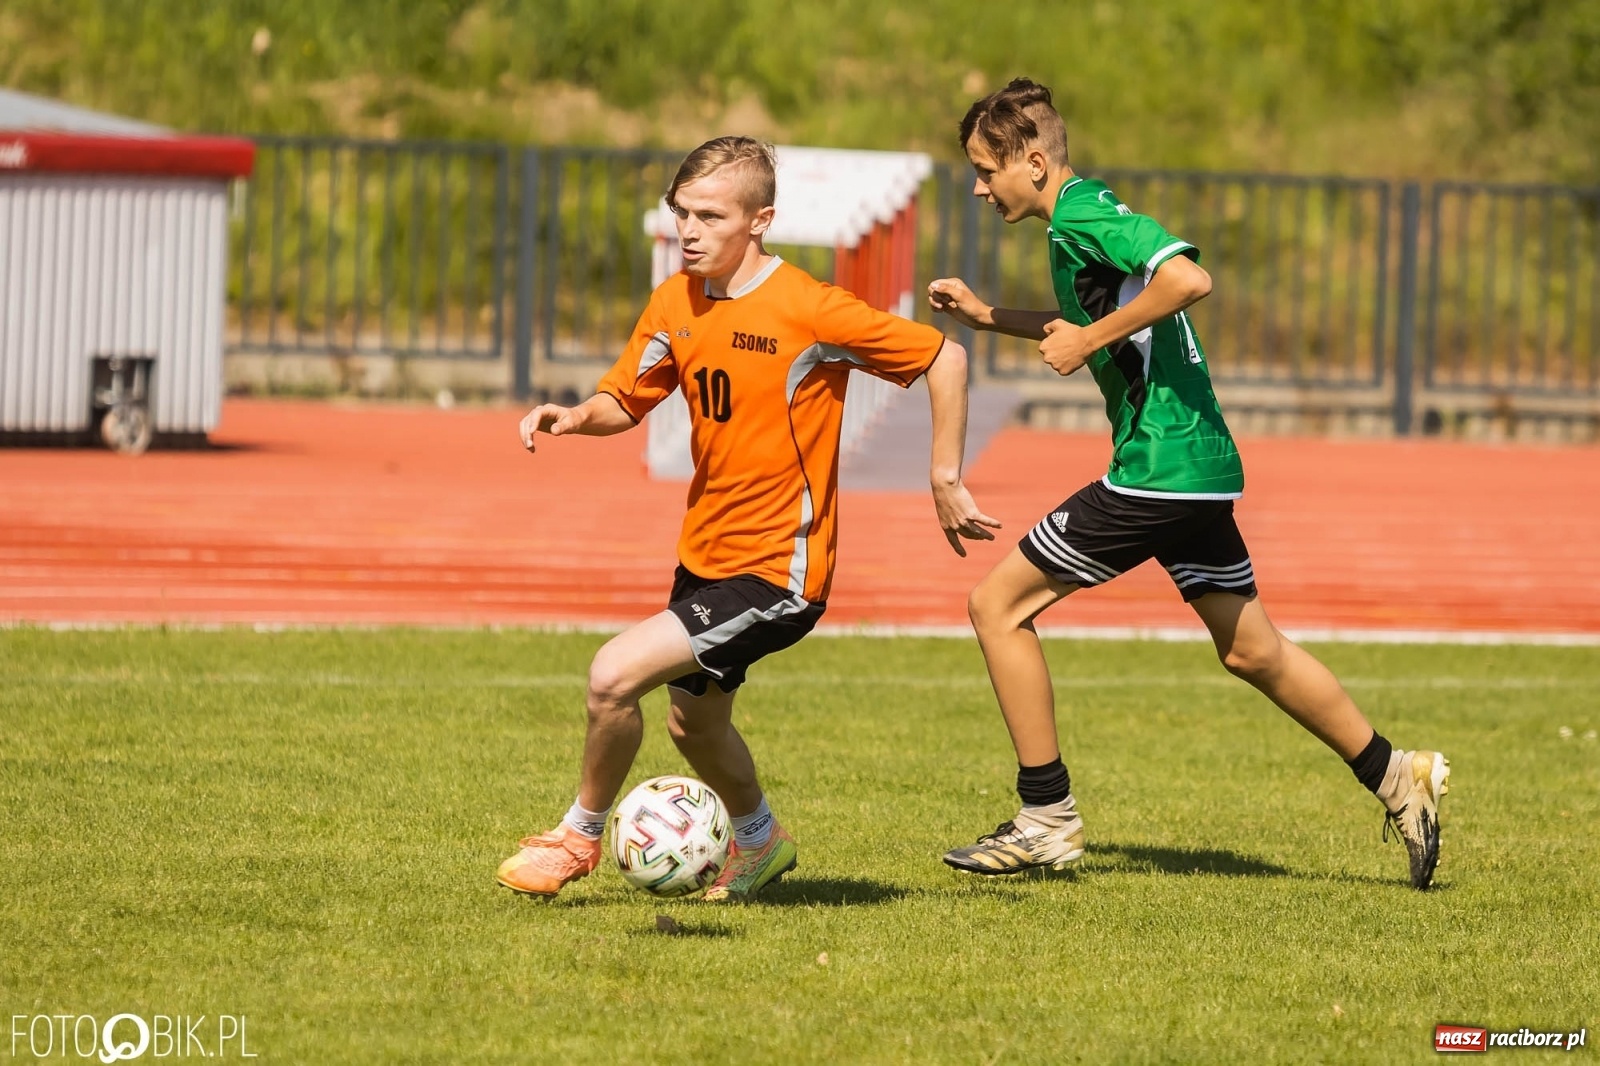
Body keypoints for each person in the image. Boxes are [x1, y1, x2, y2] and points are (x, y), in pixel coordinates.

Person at [927, 78, 1450, 890]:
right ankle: (1396, 776)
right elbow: (1094, 323)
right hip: (1198, 468)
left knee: (995, 607)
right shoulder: (1081, 217)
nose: (977, 186)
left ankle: (1045, 819)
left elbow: (1186, 279)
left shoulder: (1083, 214)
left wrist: (1088, 338)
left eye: (985, 170)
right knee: (1252, 651)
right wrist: (992, 317)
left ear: (1033, 162)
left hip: (1157, 470)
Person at [498, 136, 997, 901]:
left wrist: (944, 476)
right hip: (705, 556)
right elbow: (626, 399)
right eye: (680, 214)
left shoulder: (808, 307)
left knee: (611, 677)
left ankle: (577, 838)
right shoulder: (676, 300)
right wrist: (577, 416)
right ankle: (760, 843)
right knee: (693, 726)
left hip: (779, 572)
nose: (688, 232)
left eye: (708, 216)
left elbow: (945, 359)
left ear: (760, 219)